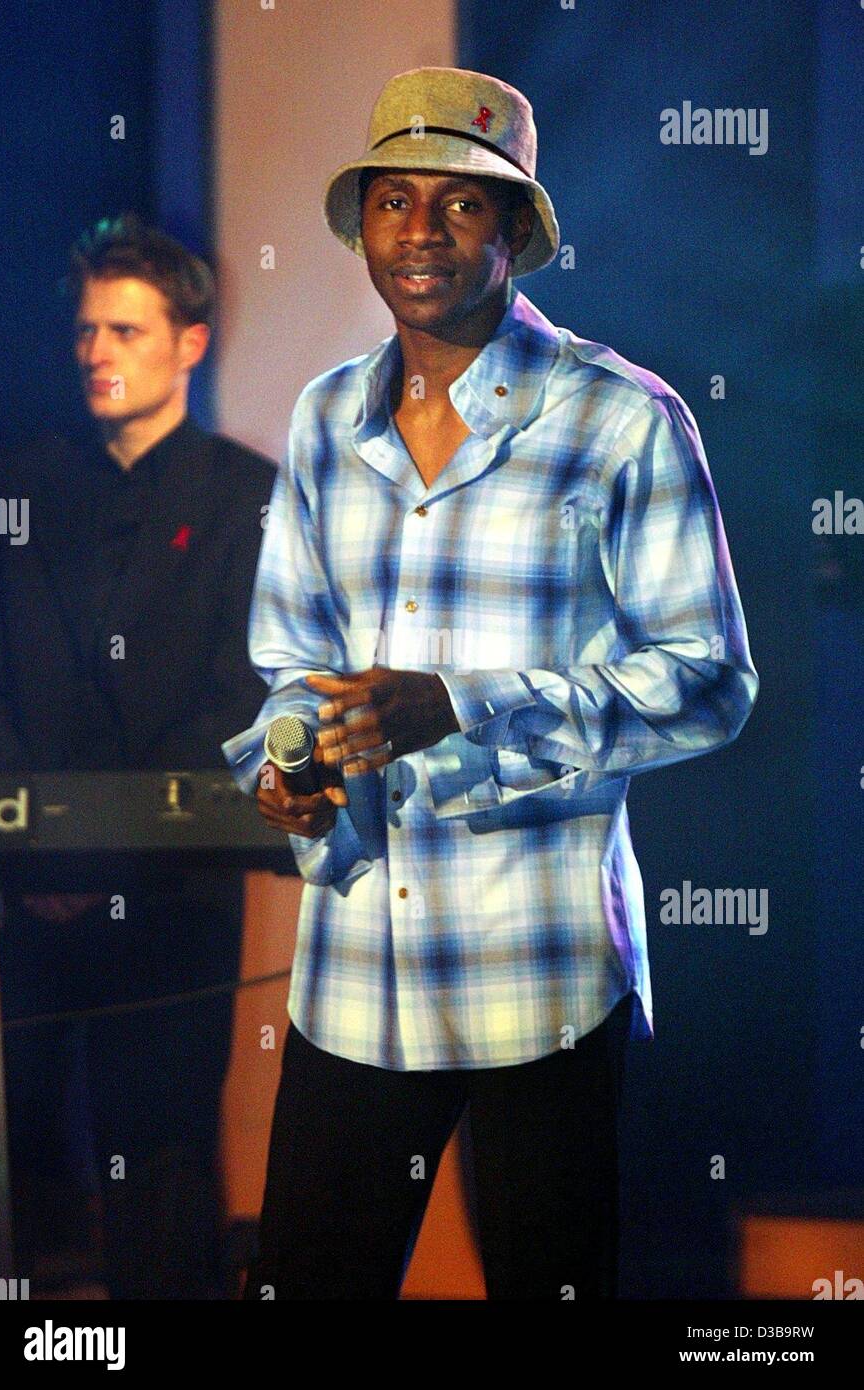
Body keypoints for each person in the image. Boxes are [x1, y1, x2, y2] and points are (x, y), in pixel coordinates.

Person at [241, 67, 759, 1301]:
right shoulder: (322, 420)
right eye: (392, 200)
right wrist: (287, 765)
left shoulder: (624, 420)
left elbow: (708, 683)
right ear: (362, 224)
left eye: (459, 206)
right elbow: (286, 667)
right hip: (357, 967)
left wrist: (464, 703)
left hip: (539, 971)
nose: (418, 232)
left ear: (514, 230)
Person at [0, 214, 276, 1298]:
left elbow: (238, 704)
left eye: (126, 330)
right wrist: (42, 853)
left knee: (163, 1159)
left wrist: (107, 852)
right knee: (14, 1162)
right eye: (87, 328)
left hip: (174, 897)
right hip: (16, 900)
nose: (96, 351)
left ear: (190, 343)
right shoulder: (11, 484)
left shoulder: (248, 496)